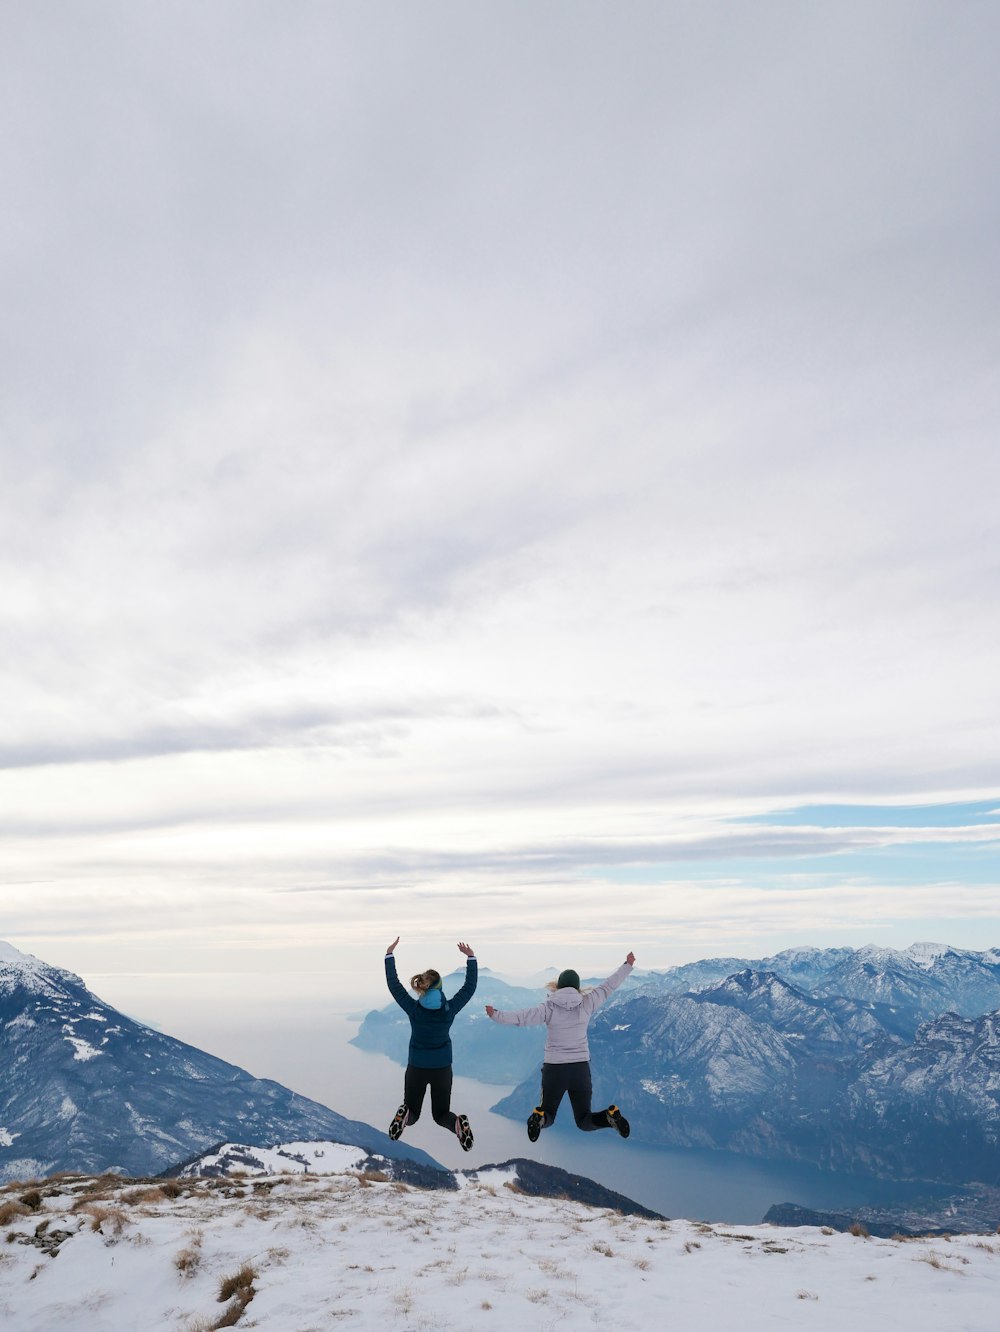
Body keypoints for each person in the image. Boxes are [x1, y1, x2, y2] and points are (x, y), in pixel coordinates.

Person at [485, 952, 635, 1142]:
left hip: (555, 1069)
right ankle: (608, 1116)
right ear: (577, 987)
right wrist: (627, 965)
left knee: (548, 1114)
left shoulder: (549, 1007)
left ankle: (539, 1119)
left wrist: (497, 1015)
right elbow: (608, 986)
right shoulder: (587, 1002)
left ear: (559, 985)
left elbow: (523, 1017)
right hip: (580, 1069)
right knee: (584, 1120)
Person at [383, 936, 478, 1151]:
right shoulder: (449, 1010)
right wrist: (471, 958)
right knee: (441, 1114)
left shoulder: (414, 1009)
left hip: (417, 1066)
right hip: (442, 1069)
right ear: (440, 988)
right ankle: (457, 1124)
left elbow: (394, 986)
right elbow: (469, 988)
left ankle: (404, 1115)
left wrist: (389, 955)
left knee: (413, 1112)